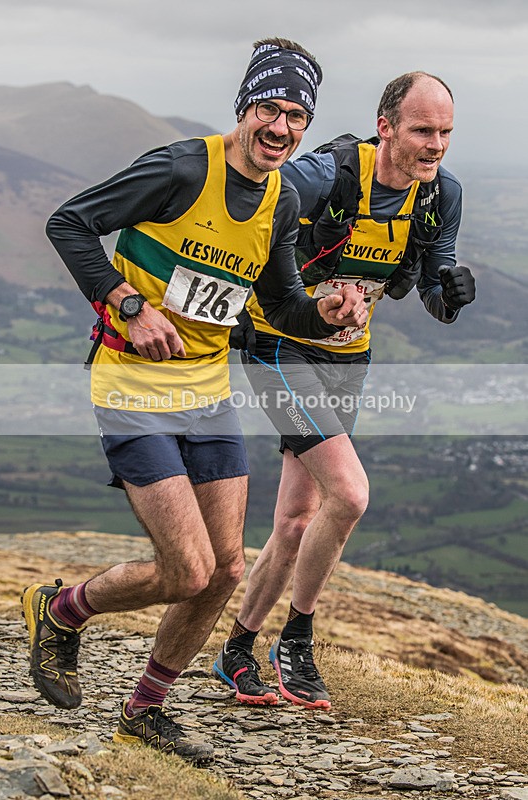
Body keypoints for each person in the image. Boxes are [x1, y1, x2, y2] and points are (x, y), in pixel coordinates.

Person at [22, 38, 368, 763]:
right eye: (269, 109)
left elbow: (278, 303)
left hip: (206, 390)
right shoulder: (182, 167)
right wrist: (125, 303)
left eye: (295, 115)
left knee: (227, 570)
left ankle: (144, 709)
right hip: (131, 386)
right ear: (244, 108)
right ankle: (59, 611)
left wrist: (326, 315)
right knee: (184, 570)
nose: (280, 127)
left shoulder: (282, 198)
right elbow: (69, 222)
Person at [213, 71, 476, 710]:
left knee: (300, 519)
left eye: (445, 131)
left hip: (348, 359)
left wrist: (451, 293)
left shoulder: (441, 194)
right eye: (422, 130)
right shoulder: (326, 175)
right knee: (351, 494)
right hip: (279, 346)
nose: (436, 144)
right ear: (386, 127)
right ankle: (297, 640)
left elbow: (435, 280)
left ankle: (236, 650)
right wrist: (300, 298)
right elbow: (256, 222)